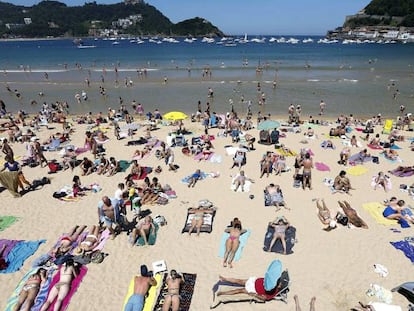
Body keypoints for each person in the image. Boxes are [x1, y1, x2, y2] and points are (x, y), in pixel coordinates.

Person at [216, 275, 282, 301]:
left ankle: (222, 293)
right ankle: (225, 279)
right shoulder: (273, 280)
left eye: (279, 284)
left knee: (239, 291)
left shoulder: (273, 293)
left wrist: (254, 295)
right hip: (255, 281)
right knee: (239, 280)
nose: (279, 284)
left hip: (254, 289)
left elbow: (264, 298)